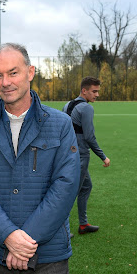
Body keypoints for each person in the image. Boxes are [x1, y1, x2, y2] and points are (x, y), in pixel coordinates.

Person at [0, 43, 80, 273]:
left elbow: (65, 185)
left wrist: (24, 242)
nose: (5, 82)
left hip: (49, 254)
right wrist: (8, 236)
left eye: (13, 72)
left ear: (30, 72)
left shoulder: (60, 124)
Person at [63, 76, 110, 235]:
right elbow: (89, 137)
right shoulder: (87, 108)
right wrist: (103, 156)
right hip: (80, 155)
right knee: (71, 192)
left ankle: (83, 224)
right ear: (84, 91)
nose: (97, 95)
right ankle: (61, 230)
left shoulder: (67, 105)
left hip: (67, 153)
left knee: (86, 186)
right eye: (94, 91)